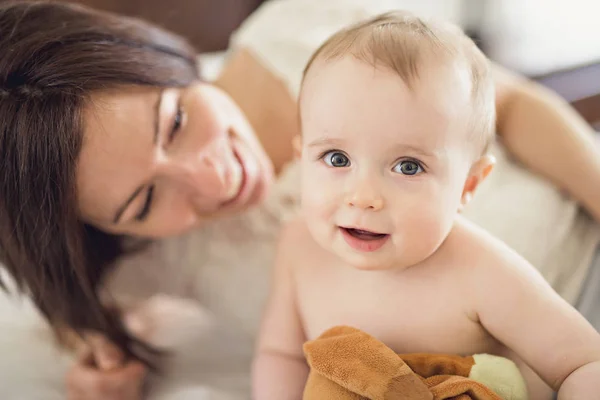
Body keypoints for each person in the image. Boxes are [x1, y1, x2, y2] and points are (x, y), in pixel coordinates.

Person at [0, 1, 598, 399]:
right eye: (144, 201)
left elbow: (510, 106)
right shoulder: (149, 264)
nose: (213, 180)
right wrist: (98, 357)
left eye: (177, 121)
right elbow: (75, 310)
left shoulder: (314, 36)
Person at [251, 12, 600, 399]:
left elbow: (584, 363)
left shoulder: (480, 269)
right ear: (302, 161)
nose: (363, 196)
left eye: (408, 166)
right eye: (336, 159)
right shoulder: (298, 247)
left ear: (468, 185)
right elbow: (281, 355)